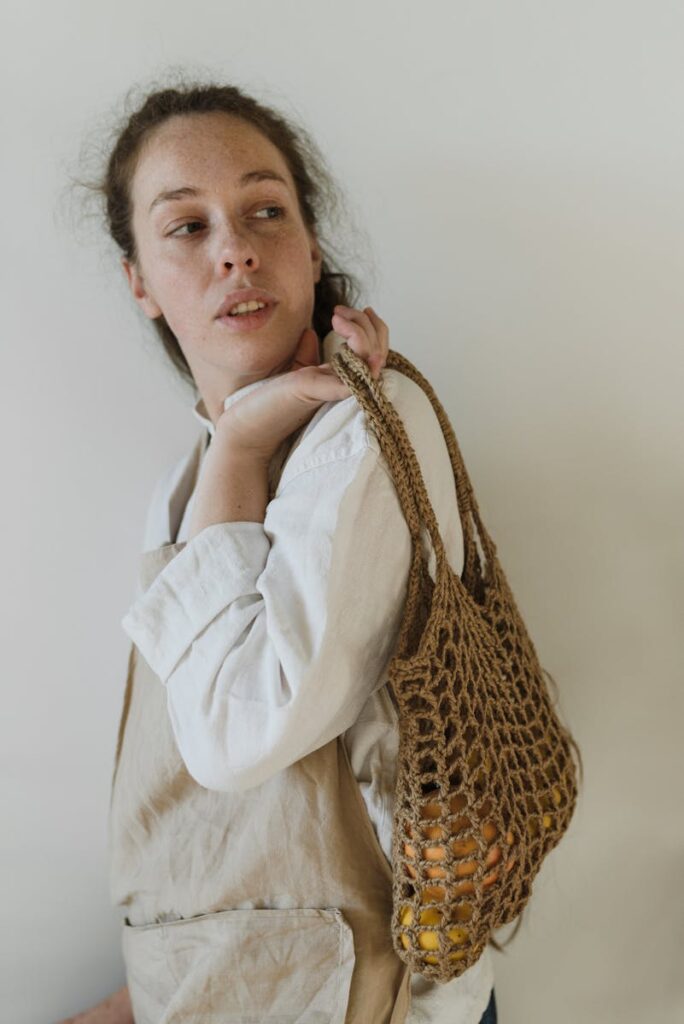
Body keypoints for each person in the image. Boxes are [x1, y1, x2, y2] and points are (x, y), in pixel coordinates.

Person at [60, 79, 499, 1023]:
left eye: (266, 210)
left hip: (360, 997)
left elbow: (234, 740)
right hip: (229, 986)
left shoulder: (367, 432)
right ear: (138, 280)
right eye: (186, 227)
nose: (235, 249)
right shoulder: (184, 483)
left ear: (308, 247)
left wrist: (246, 445)